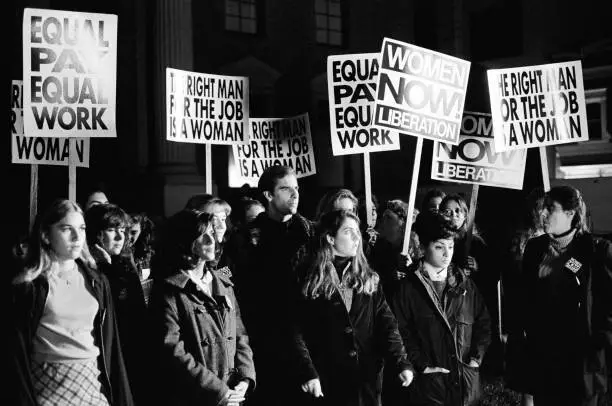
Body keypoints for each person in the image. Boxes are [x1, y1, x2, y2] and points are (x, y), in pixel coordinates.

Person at [9, 199, 133, 405]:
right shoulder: (29, 285)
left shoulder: (96, 280)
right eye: (67, 229)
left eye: (82, 228)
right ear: (46, 235)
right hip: (48, 381)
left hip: (91, 378)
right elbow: (14, 352)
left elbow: (112, 346)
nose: (77, 237)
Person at [293, 210, 414, 406]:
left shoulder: (368, 279)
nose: (357, 237)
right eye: (348, 231)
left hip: (365, 381)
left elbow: (387, 323)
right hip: (326, 381)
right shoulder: (307, 279)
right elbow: (296, 332)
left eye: (357, 231)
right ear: (331, 238)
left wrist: (401, 362)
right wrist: (307, 371)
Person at [149, 210, 255, 405]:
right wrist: (218, 390)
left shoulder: (224, 284)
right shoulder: (169, 290)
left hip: (233, 394)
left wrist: (245, 378)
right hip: (196, 397)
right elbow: (172, 350)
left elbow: (240, 335)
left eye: (212, 233)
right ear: (184, 240)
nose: (211, 239)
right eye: (202, 234)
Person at [521, 186, 612, 406]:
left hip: (582, 366)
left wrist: (599, 341)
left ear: (571, 213)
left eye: (550, 209)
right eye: (543, 208)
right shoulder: (534, 248)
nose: (542, 214)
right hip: (545, 362)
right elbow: (525, 300)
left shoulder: (596, 250)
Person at [392, 212, 491, 406]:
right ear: (423, 247)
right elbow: (400, 333)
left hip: (466, 384)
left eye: (451, 246)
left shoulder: (465, 284)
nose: (447, 254)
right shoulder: (408, 289)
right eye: (439, 247)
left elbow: (483, 323)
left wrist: (475, 361)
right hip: (429, 388)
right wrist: (422, 366)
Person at [242, 165, 314, 406]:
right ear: (268, 195)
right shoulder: (248, 236)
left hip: (306, 335)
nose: (295, 194)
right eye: (286, 189)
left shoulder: (309, 232)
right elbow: (231, 276)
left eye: (296, 188)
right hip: (264, 338)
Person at [85, 203, 150, 404]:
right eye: (112, 230)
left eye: (122, 230)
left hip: (130, 348)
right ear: (96, 233)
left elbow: (136, 309)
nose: (121, 237)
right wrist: (104, 267)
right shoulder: (88, 269)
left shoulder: (125, 263)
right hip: (104, 352)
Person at [127, 212, 156, 280]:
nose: (128, 236)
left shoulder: (146, 254)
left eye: (133, 232)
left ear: (141, 231)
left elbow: (144, 280)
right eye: (124, 231)